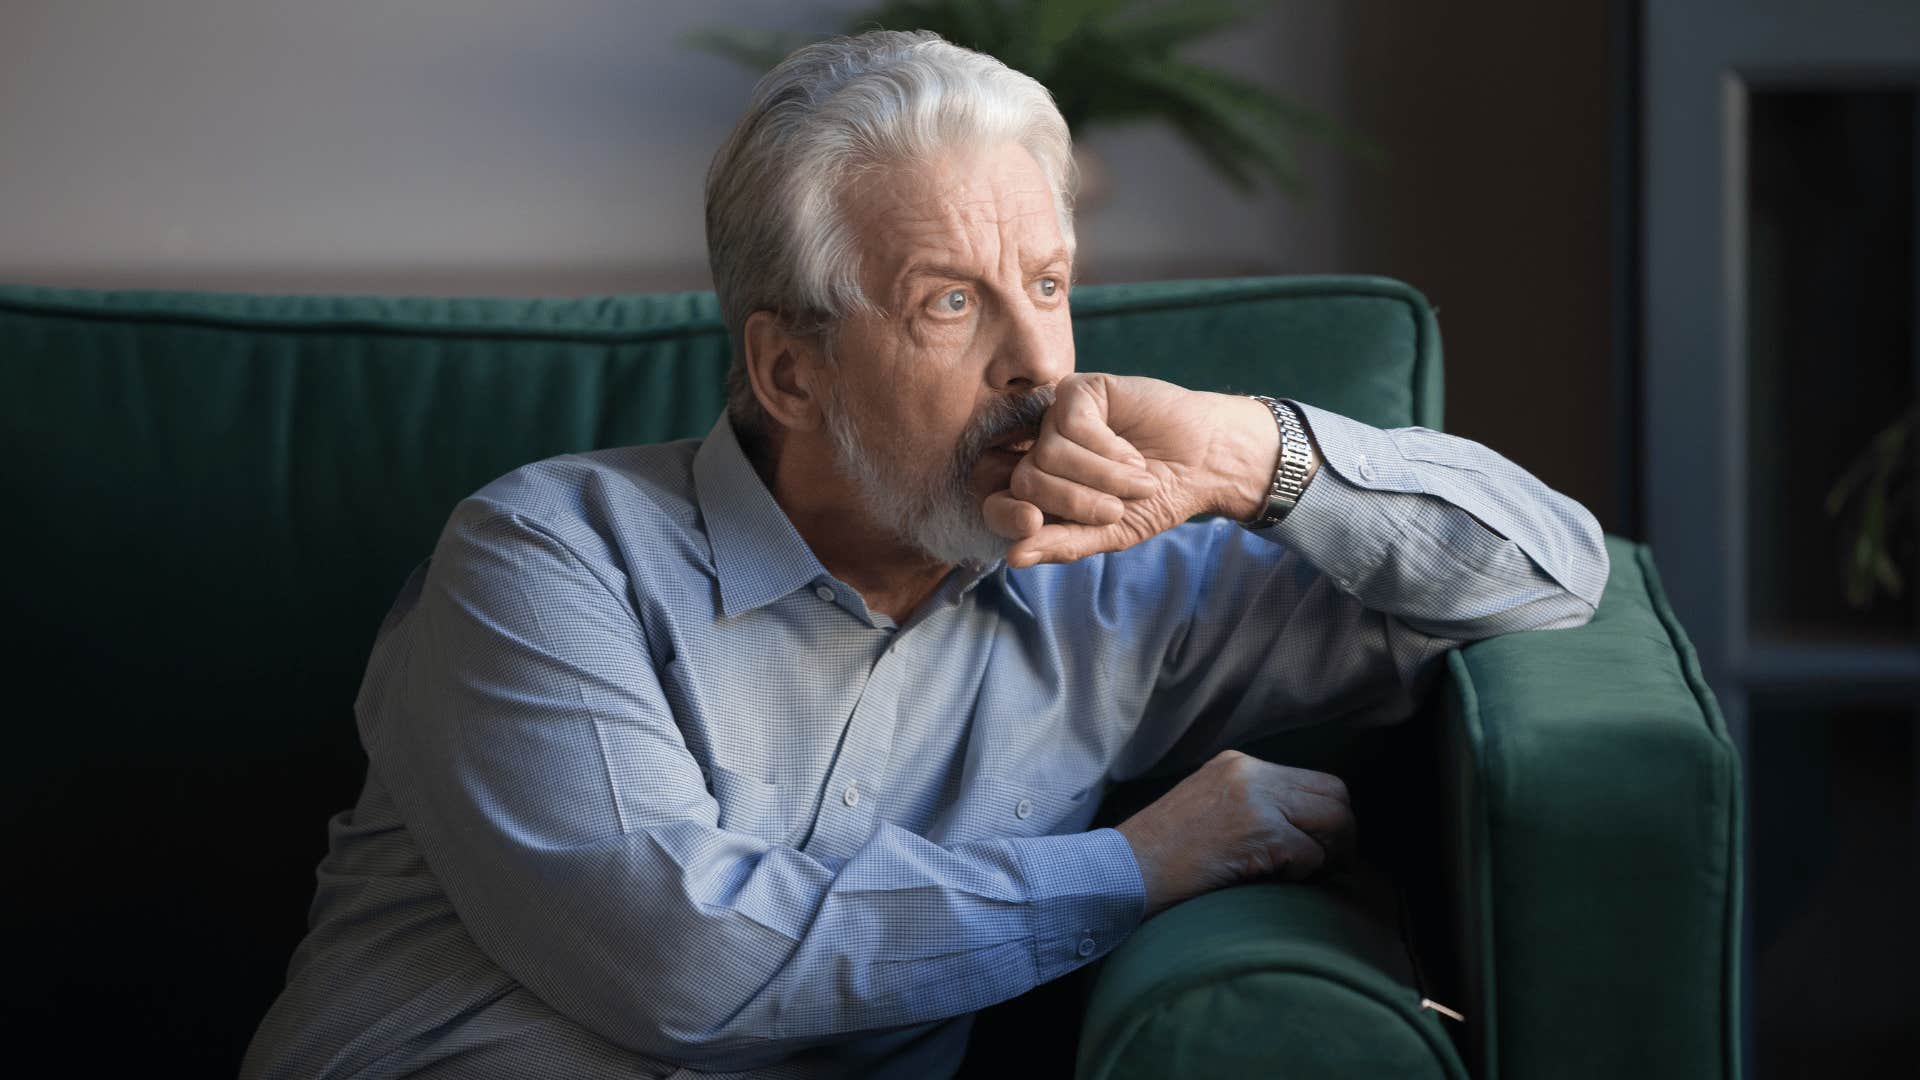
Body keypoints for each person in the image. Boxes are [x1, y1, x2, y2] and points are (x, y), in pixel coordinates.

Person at [241, 29, 1607, 1080]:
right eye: (951, 302)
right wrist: (1138, 866)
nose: (1038, 363)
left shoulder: (1122, 576)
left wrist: (1252, 457)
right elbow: (682, 960)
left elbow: (1553, 578)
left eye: (1053, 285)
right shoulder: (544, 562)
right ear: (789, 368)